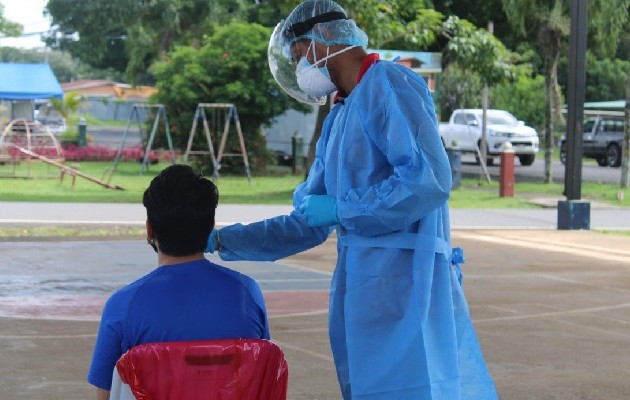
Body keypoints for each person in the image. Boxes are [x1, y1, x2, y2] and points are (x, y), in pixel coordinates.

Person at [207, 0, 498, 398]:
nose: (299, 70)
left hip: (408, 284)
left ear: (323, 42)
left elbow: (428, 180)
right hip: (364, 288)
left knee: (418, 386)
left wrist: (343, 208)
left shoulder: (390, 84)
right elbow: (308, 221)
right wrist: (225, 240)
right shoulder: (340, 116)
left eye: (298, 56)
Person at [87, 164, 269, 400]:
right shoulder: (248, 294)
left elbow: (107, 394)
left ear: (150, 230)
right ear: (210, 229)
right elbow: (259, 373)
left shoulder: (122, 305)